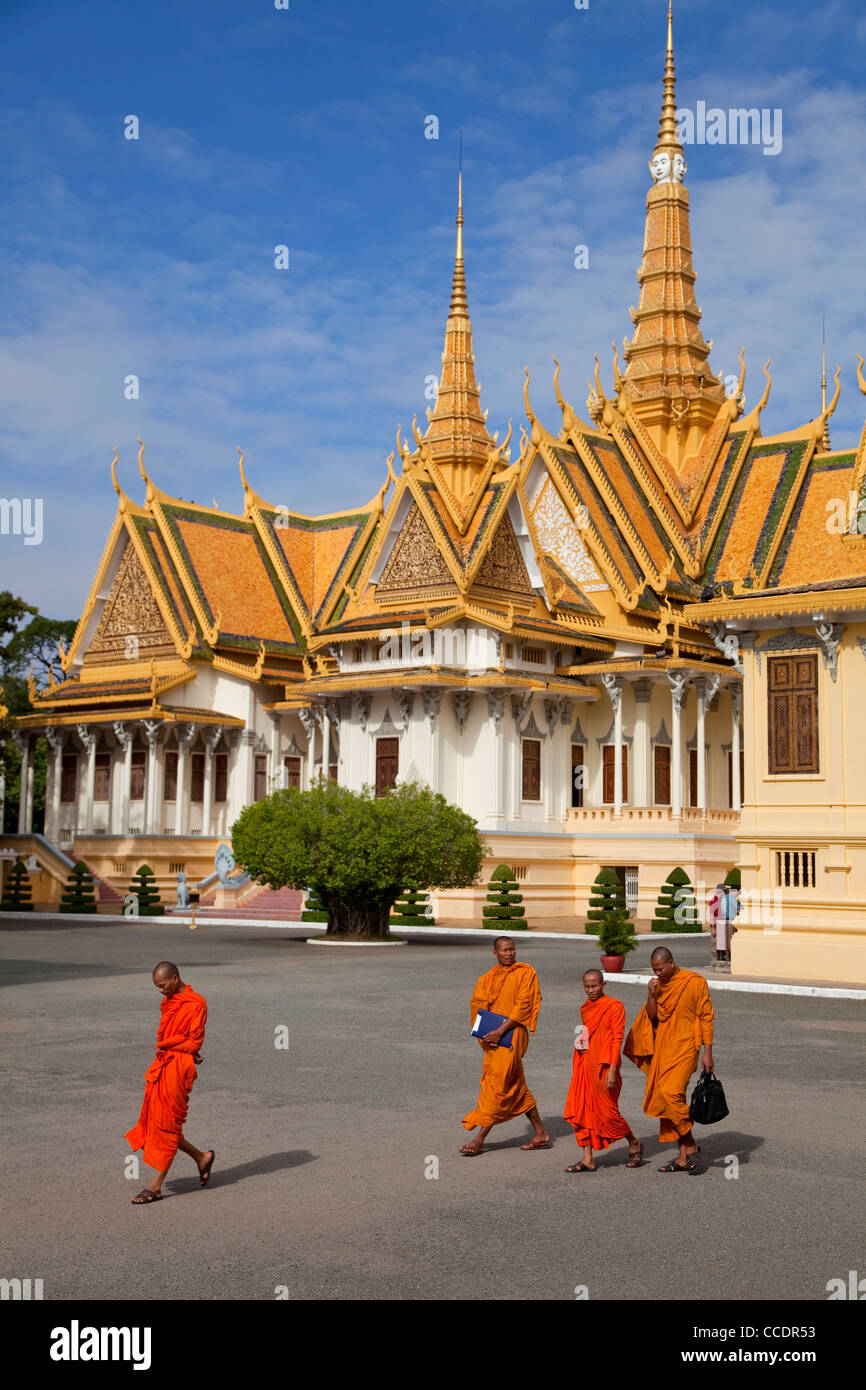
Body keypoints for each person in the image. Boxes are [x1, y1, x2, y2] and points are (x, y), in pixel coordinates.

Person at [125, 961, 214, 1203]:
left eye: (163, 985)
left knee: (168, 1124)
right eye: (157, 987)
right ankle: (202, 1158)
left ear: (175, 978)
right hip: (163, 1065)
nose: (161, 991)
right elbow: (182, 1036)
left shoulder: (196, 1003)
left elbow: (194, 1042)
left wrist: (167, 1045)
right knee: (159, 1120)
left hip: (178, 1069)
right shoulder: (170, 1001)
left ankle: (155, 1186)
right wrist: (174, 1046)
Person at [624, 946, 714, 1173]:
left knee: (671, 1093)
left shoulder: (694, 982)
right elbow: (653, 1017)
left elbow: (706, 1017)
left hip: (686, 1046)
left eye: (661, 968)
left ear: (672, 963)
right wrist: (651, 995)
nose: (658, 973)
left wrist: (707, 1053)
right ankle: (684, 1156)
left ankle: (691, 1147)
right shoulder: (659, 986)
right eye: (654, 970)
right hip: (664, 1046)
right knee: (668, 1099)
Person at [460, 936, 549, 1156]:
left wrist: (500, 1031)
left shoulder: (526, 972)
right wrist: (484, 1033)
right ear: (495, 953)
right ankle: (540, 1133)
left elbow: (523, 1006)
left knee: (498, 1085)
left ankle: (479, 1137)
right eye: (505, 950)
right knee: (514, 1084)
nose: (509, 953)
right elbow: (478, 1004)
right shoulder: (487, 978)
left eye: (512, 949)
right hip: (492, 1038)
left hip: (513, 1035)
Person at [564, 969, 642, 1172]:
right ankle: (588, 1158)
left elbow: (617, 1038)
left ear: (603, 984)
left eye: (594, 986)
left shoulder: (614, 1007)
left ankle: (633, 1141)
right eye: (587, 986)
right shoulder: (585, 1008)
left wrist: (613, 1069)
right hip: (585, 1064)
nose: (590, 990)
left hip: (605, 1066)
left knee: (608, 1112)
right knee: (582, 1109)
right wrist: (581, 1040)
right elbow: (588, 1031)